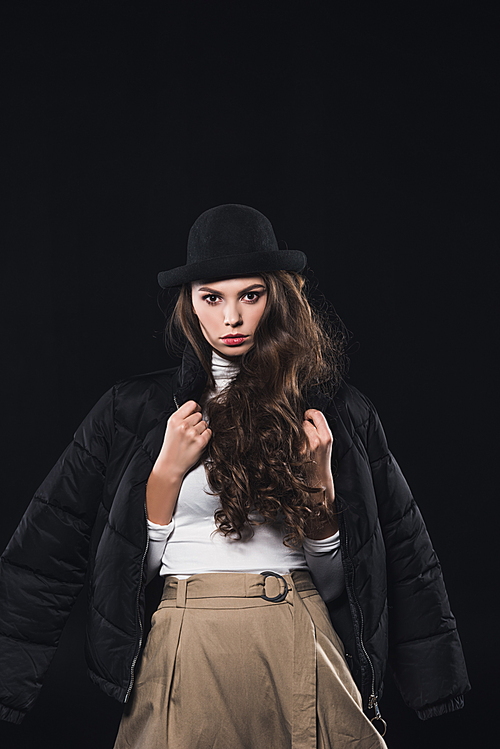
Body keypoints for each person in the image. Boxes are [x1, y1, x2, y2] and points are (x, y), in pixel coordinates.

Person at [0, 204, 469, 747]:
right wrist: (164, 481)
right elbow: (67, 561)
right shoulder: (133, 411)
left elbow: (376, 573)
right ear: (190, 306)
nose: (232, 318)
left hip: (301, 631)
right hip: (184, 641)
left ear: (277, 298)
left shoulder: (339, 413)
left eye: (250, 295)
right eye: (212, 297)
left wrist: (320, 493)